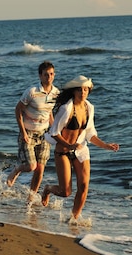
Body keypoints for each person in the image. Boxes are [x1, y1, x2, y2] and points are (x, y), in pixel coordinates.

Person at [41, 75, 119, 222]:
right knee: (66, 192)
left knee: (83, 187)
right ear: (74, 92)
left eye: (85, 89)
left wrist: (105, 145)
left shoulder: (89, 108)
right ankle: (48, 189)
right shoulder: (66, 109)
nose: (83, 92)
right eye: (79, 90)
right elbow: (54, 133)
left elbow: (90, 134)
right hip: (63, 151)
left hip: (81, 150)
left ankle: (73, 219)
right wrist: (69, 145)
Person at [6, 61, 60, 199]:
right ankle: (17, 168)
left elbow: (49, 113)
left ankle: (30, 198)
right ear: (40, 76)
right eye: (46, 74)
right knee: (31, 166)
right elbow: (18, 110)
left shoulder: (56, 93)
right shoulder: (32, 92)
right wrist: (23, 132)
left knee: (40, 169)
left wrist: (55, 132)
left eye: (52, 74)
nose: (49, 77)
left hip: (44, 134)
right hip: (28, 132)